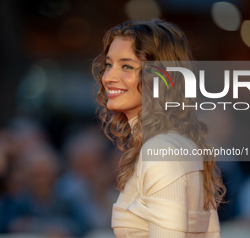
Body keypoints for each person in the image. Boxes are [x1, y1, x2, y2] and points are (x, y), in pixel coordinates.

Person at [92, 18, 226, 237]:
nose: (108, 77)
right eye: (108, 65)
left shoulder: (162, 151)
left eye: (126, 66)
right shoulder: (177, 144)